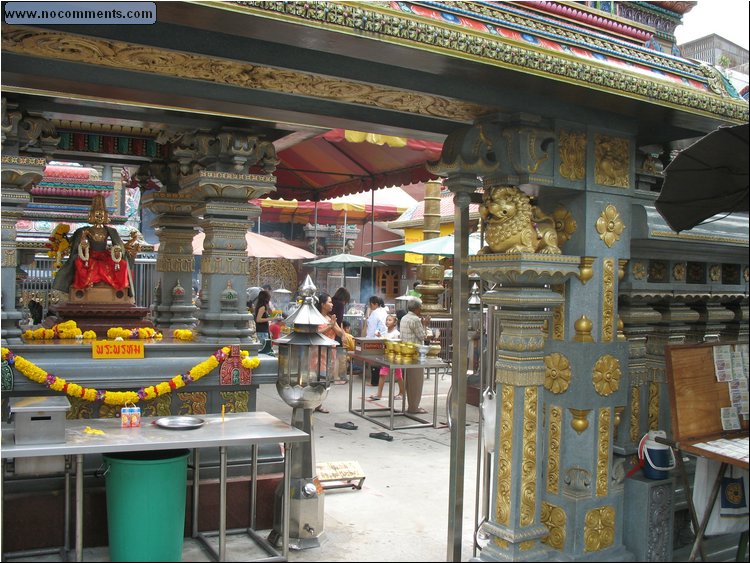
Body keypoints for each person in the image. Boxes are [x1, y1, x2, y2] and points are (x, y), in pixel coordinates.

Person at [51, 194, 138, 298]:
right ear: (91, 216)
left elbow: (119, 245)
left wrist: (119, 251)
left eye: (102, 215)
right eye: (97, 215)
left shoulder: (111, 231)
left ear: (106, 216)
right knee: (79, 262)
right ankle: (82, 290)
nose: (99, 218)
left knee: (122, 264)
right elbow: (80, 245)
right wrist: (83, 240)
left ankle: (120, 292)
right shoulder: (86, 230)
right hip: (89, 255)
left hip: (105, 255)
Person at [399, 297, 432, 414]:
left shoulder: (404, 318)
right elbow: (422, 336)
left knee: (409, 382)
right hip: (415, 355)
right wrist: (425, 324)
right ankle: (413, 407)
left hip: (404, 354)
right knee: (416, 383)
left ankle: (411, 405)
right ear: (418, 308)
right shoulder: (415, 320)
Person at [315, 292, 346, 412]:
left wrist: (333, 325)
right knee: (318, 377)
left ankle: (319, 403)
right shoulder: (317, 318)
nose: (332, 304)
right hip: (318, 352)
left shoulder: (330, 318)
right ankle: (314, 402)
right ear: (322, 304)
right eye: (329, 302)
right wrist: (330, 326)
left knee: (326, 379)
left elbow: (340, 333)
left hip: (330, 351)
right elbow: (317, 332)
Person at [370, 314, 405, 401]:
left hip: (395, 357)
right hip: (386, 357)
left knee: (399, 376)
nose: (387, 322)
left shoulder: (396, 333)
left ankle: (402, 392)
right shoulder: (385, 332)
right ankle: (379, 394)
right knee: (382, 374)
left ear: (395, 322)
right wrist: (379, 337)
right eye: (387, 320)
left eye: (390, 320)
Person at [364, 295, 388, 386]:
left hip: (375, 339)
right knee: (379, 361)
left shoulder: (375, 313)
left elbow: (371, 329)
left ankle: (374, 382)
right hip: (383, 338)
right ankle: (377, 380)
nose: (370, 306)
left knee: (374, 361)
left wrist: (367, 340)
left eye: (370, 304)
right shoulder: (383, 311)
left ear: (375, 304)